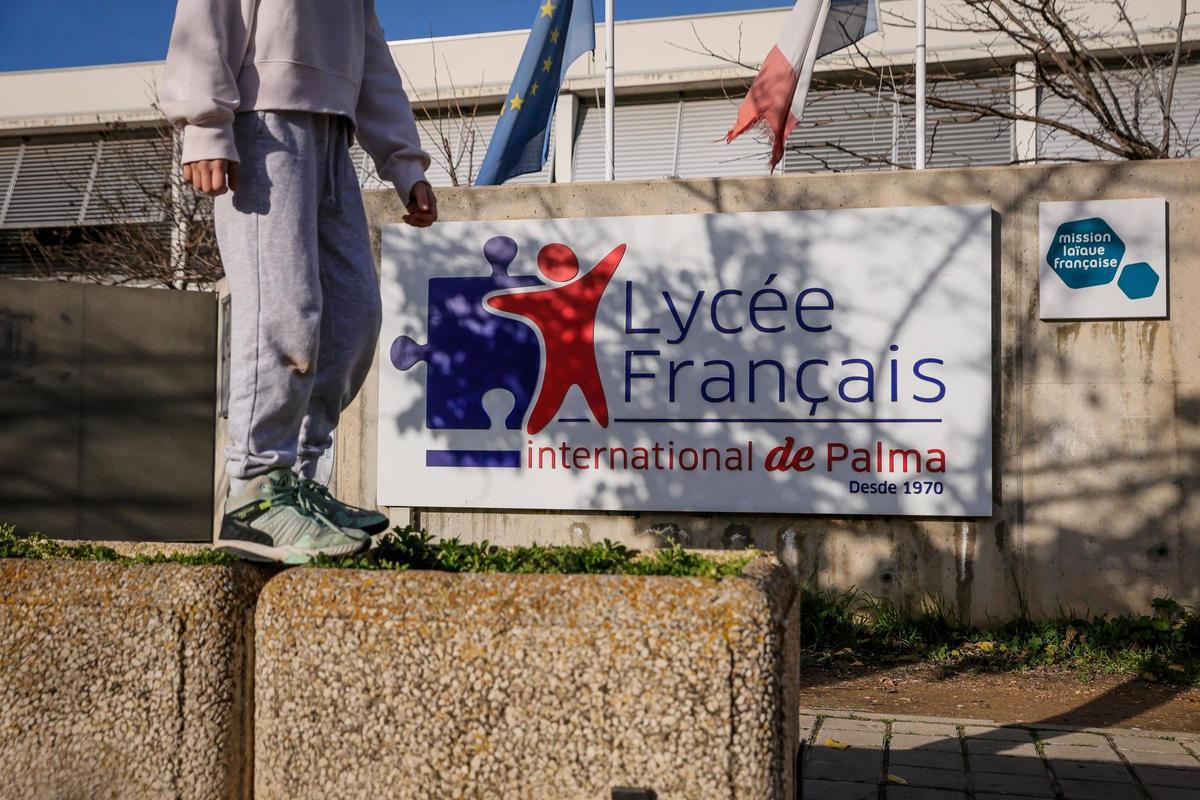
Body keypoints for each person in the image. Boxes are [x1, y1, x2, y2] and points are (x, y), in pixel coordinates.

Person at [162, 0, 438, 564]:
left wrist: (404, 161)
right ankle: (254, 491)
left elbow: (372, 57)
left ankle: (299, 483)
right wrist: (206, 124)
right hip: (261, 126)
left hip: (335, 135)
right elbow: (207, 13)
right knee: (283, 310)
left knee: (352, 318)